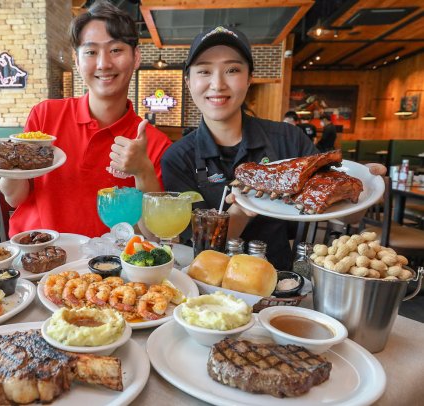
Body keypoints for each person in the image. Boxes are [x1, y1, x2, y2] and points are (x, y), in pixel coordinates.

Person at [161, 25, 385, 271]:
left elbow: (347, 216)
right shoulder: (178, 158)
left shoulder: (288, 139)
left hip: (280, 280)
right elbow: (199, 244)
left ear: (249, 79)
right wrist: (243, 210)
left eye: (232, 69)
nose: (217, 84)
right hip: (205, 280)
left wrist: (364, 188)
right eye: (204, 71)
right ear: (188, 82)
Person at [0, 1, 171, 238]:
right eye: (91, 52)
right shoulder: (45, 116)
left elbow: (156, 235)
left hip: (107, 269)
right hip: (36, 259)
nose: (103, 64)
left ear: (136, 57)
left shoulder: (154, 142)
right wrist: (8, 164)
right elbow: (14, 197)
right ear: (77, 60)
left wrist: (142, 171)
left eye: (116, 50)